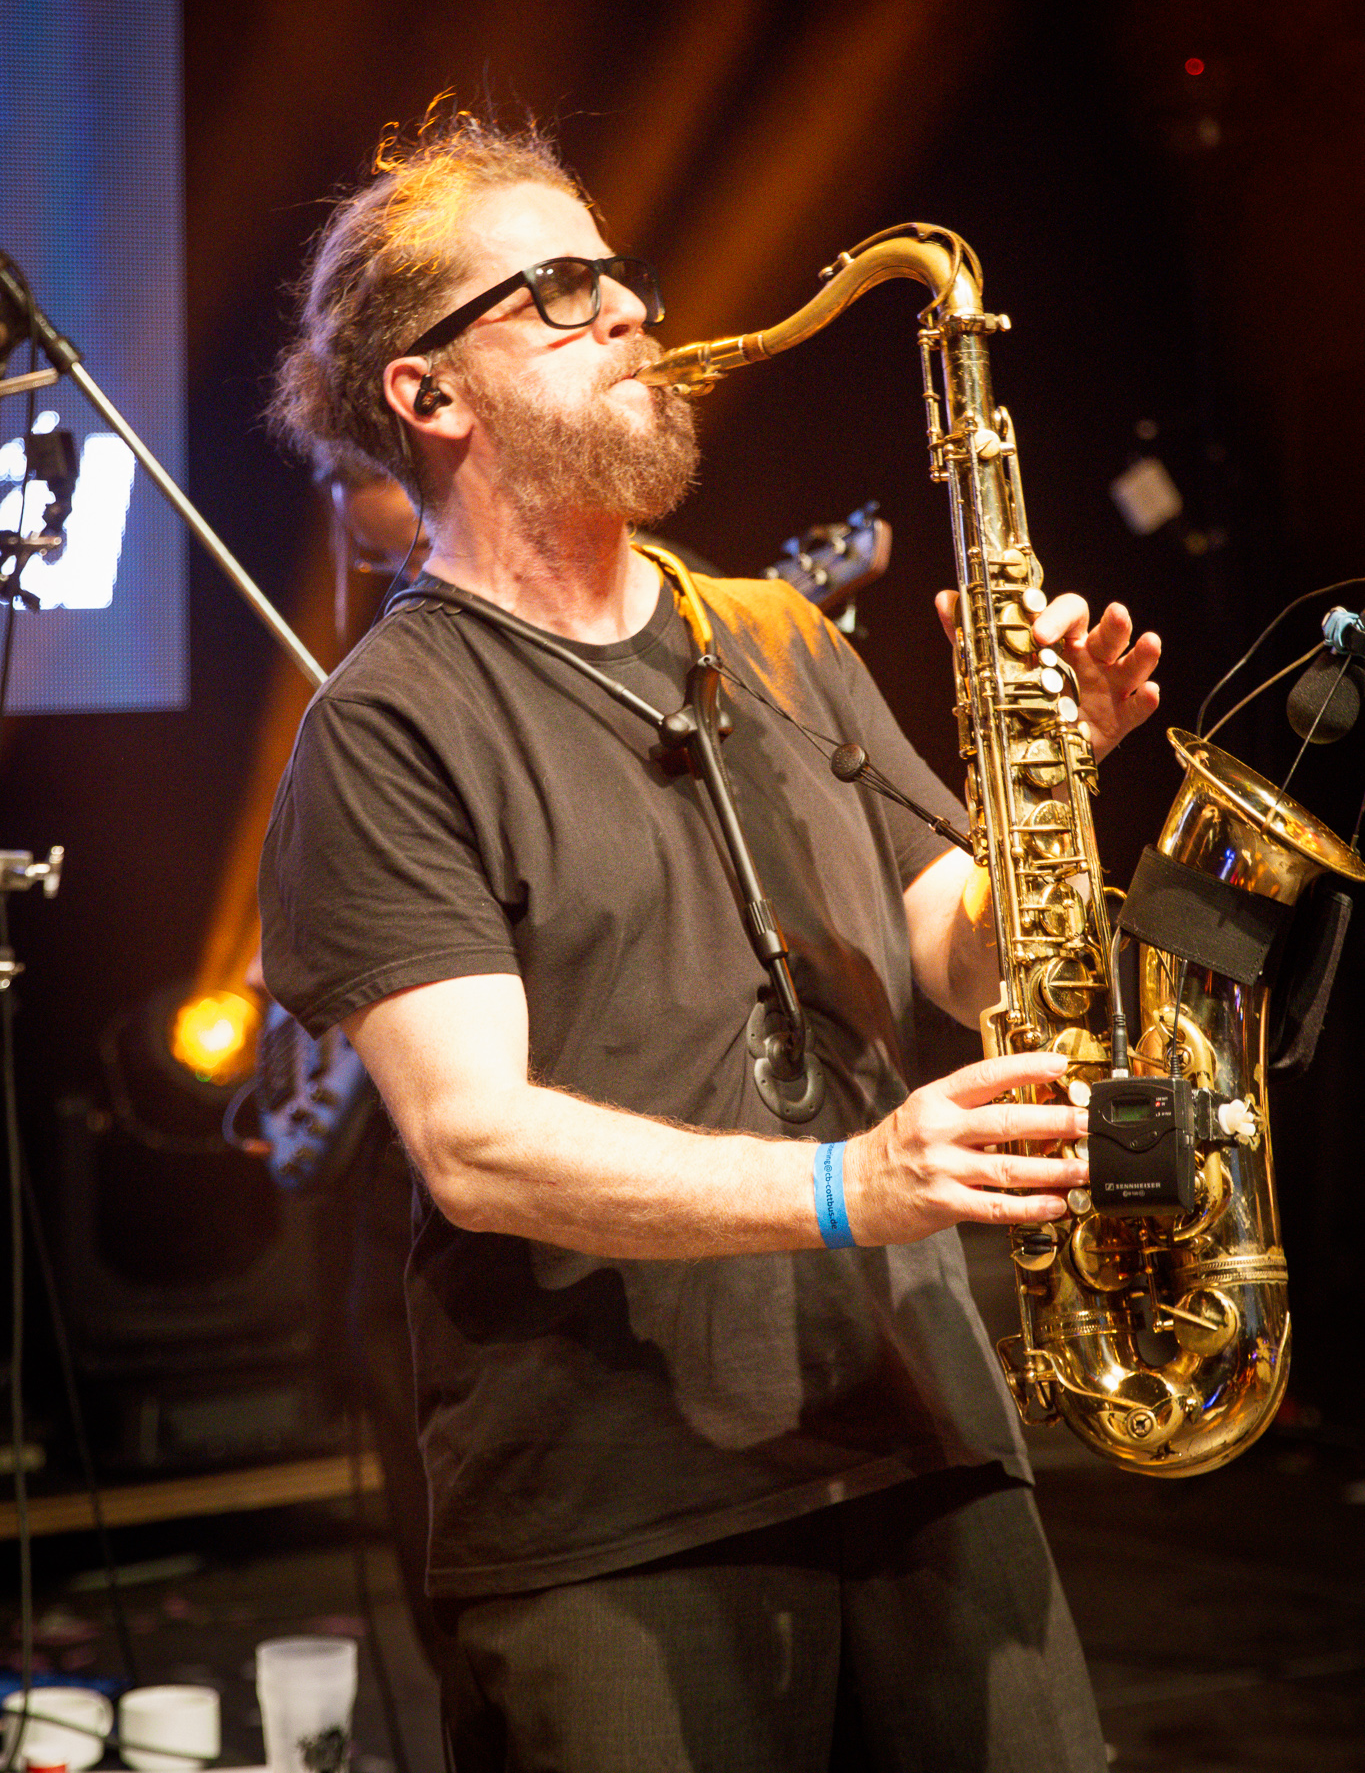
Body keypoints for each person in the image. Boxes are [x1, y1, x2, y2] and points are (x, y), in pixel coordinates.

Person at [258, 108, 1160, 1773]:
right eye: (556, 291)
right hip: (613, 1517)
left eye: (620, 276)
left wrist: (1046, 777)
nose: (626, 311)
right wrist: (846, 1186)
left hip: (920, 1436)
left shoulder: (782, 637)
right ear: (429, 395)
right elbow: (472, 1145)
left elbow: (962, 962)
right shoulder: (390, 724)